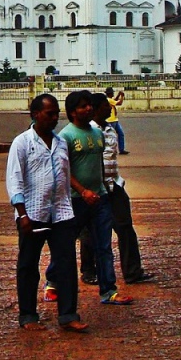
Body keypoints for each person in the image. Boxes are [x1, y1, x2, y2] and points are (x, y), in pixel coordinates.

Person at [6, 93, 87, 333]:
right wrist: (22, 214)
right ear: (35, 114)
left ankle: (68, 314)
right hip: (33, 213)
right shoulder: (22, 143)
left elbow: (65, 174)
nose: (54, 118)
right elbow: (15, 179)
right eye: (49, 114)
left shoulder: (61, 143)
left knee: (66, 264)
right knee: (29, 265)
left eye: (56, 114)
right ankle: (28, 315)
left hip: (61, 212)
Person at [46, 91, 133, 306]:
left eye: (89, 106)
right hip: (75, 200)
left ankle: (108, 290)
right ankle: (52, 281)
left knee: (103, 245)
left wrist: (103, 187)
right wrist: (82, 191)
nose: (88, 109)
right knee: (65, 244)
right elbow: (63, 170)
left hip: (100, 198)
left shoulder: (97, 133)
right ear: (72, 112)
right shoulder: (65, 137)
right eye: (83, 106)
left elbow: (100, 164)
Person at [80, 92, 154, 285]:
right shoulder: (88, 132)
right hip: (95, 188)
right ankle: (89, 271)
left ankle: (132, 271)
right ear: (95, 109)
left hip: (115, 185)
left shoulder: (110, 130)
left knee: (125, 228)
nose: (109, 108)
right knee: (91, 231)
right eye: (105, 105)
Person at [105, 87, 128, 154]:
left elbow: (115, 100)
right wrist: (122, 96)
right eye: (112, 92)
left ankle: (121, 149)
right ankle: (113, 149)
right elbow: (119, 103)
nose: (113, 93)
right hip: (111, 120)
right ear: (110, 93)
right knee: (112, 135)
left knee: (120, 134)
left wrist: (118, 95)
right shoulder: (109, 100)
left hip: (114, 119)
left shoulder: (109, 100)